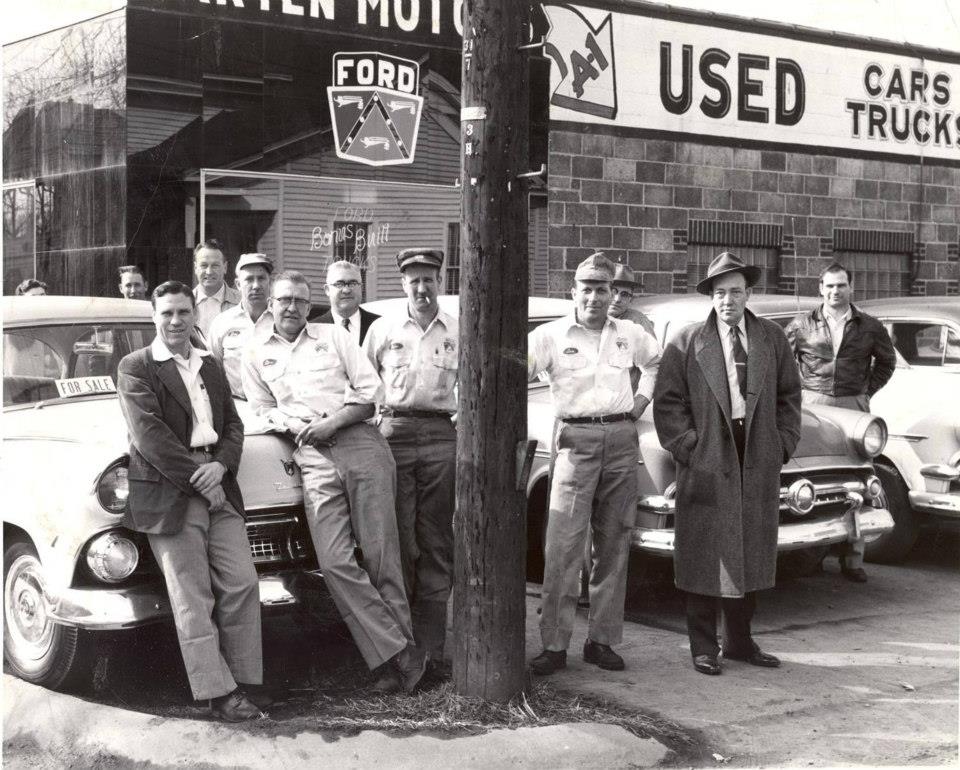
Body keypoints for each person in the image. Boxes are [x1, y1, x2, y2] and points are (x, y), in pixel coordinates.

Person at [241, 271, 426, 694]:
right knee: (334, 561)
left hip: (360, 444)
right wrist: (293, 424)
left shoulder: (334, 337)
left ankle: (395, 670)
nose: (291, 307)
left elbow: (370, 394)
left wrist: (331, 423)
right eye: (284, 300)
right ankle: (400, 650)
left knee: (382, 558)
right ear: (271, 304)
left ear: (310, 306)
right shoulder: (254, 352)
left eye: (300, 301)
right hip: (310, 455)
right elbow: (261, 407)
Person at [116, 281, 264, 720]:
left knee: (242, 582)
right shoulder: (136, 367)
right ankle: (219, 693)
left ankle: (245, 681)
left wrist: (221, 467)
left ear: (195, 314)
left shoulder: (209, 365)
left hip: (217, 480)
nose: (176, 321)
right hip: (172, 491)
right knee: (192, 597)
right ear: (154, 317)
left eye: (183, 312)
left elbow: (233, 425)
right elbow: (151, 438)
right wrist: (203, 480)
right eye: (167, 313)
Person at [653, 252, 801, 676]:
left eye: (736, 292)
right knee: (704, 550)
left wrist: (781, 444)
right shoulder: (687, 341)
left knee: (749, 549)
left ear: (748, 294)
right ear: (711, 296)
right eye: (720, 293)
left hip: (756, 451)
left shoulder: (771, 337)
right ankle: (703, 646)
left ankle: (740, 642)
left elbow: (790, 396)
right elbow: (668, 403)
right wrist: (689, 446)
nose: (728, 301)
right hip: (707, 454)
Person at [526, 253, 661, 676]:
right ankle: (554, 644)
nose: (595, 297)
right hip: (575, 440)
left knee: (614, 543)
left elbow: (655, 364)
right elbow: (517, 373)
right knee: (563, 546)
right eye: (586, 289)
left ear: (611, 293)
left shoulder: (629, 333)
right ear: (574, 292)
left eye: (602, 289)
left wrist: (640, 403)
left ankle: (601, 641)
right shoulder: (549, 335)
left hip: (621, 437)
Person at [363, 249, 456, 670]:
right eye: (413, 280)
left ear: (440, 281)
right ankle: (402, 648)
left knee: (436, 541)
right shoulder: (383, 330)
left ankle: (433, 650)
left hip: (440, 435)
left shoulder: (456, 330)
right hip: (394, 435)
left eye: (428, 280)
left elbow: (471, 384)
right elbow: (362, 384)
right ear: (403, 283)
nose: (422, 289)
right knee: (398, 541)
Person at [784, 262, 896, 583]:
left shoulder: (869, 326)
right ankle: (813, 551)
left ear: (851, 288)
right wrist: (799, 394)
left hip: (853, 406)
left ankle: (853, 558)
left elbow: (887, 362)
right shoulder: (802, 324)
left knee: (858, 477)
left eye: (841, 285)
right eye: (830, 286)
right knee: (811, 474)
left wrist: (865, 392)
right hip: (812, 405)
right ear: (820, 289)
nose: (835, 291)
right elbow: (783, 363)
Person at [208, 253, 274, 397]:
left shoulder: (281, 322)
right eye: (249, 279)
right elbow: (213, 372)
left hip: (274, 405)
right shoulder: (222, 323)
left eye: (261, 278)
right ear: (238, 284)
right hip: (236, 404)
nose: (256, 286)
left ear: (270, 282)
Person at [315, 260, 380, 344]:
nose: (346, 290)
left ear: (361, 288)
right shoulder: (314, 328)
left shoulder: (379, 325)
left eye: (353, 283)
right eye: (339, 284)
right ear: (327, 290)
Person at [193, 239, 240, 337]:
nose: (209, 272)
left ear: (225, 267)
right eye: (204, 265)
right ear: (195, 268)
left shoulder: (242, 302)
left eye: (215, 266)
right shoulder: (184, 303)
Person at [608, 261, 655, 337]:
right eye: (613, 292)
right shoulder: (592, 317)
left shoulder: (638, 321)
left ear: (631, 299)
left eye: (624, 294)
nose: (617, 299)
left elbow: (651, 344)